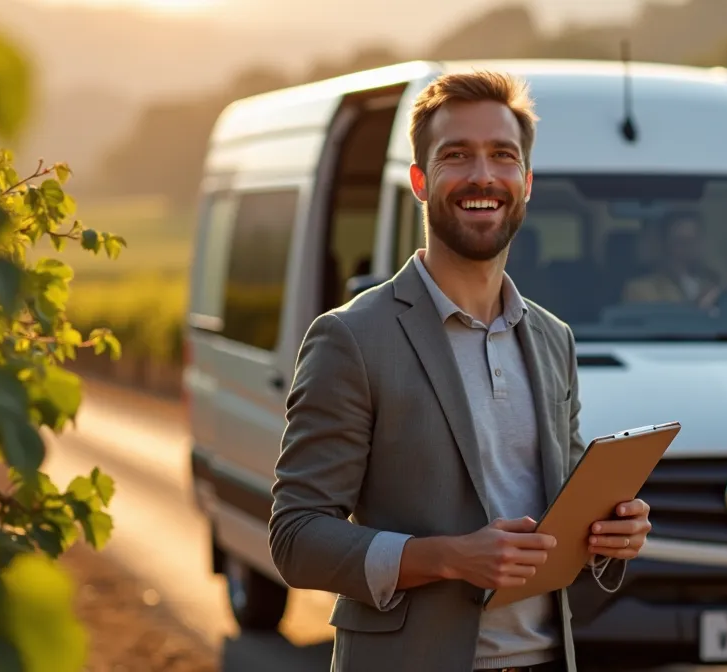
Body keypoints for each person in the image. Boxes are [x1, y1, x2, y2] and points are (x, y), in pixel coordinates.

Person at [269, 70, 653, 672]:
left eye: (503, 156)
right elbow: (296, 538)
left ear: (525, 182)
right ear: (420, 181)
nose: (483, 176)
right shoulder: (351, 338)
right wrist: (447, 557)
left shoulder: (555, 340)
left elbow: (563, 517)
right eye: (457, 156)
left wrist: (610, 536)